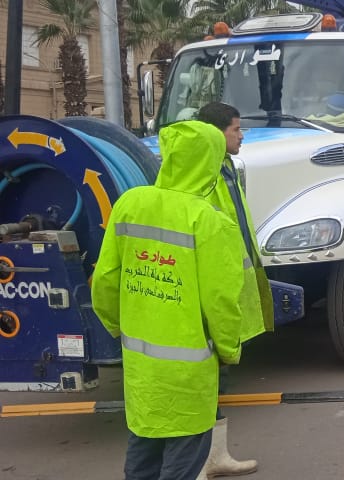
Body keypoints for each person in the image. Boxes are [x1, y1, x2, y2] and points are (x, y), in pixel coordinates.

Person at [92, 121, 246, 480]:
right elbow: (220, 300)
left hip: (141, 369)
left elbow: (105, 280)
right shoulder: (208, 220)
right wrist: (229, 348)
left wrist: (117, 326)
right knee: (183, 461)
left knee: (143, 450)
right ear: (210, 161)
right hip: (189, 374)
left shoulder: (131, 204)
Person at [196, 101, 274, 479]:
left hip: (229, 286)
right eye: (236, 129)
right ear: (215, 134)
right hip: (211, 291)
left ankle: (215, 457)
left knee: (218, 380)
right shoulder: (203, 174)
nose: (242, 136)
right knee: (205, 382)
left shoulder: (227, 166)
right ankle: (198, 463)